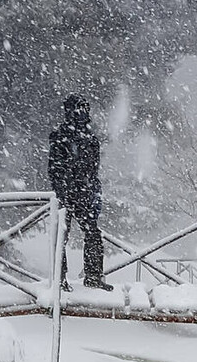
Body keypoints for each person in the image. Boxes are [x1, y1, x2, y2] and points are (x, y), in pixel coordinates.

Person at [48, 93, 113, 291]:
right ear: (69, 111)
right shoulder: (60, 137)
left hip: (85, 194)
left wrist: (94, 192)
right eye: (79, 108)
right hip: (67, 195)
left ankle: (93, 277)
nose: (82, 112)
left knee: (93, 234)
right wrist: (62, 192)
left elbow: (93, 170)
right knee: (61, 237)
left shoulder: (91, 139)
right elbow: (54, 169)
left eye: (85, 109)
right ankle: (60, 280)